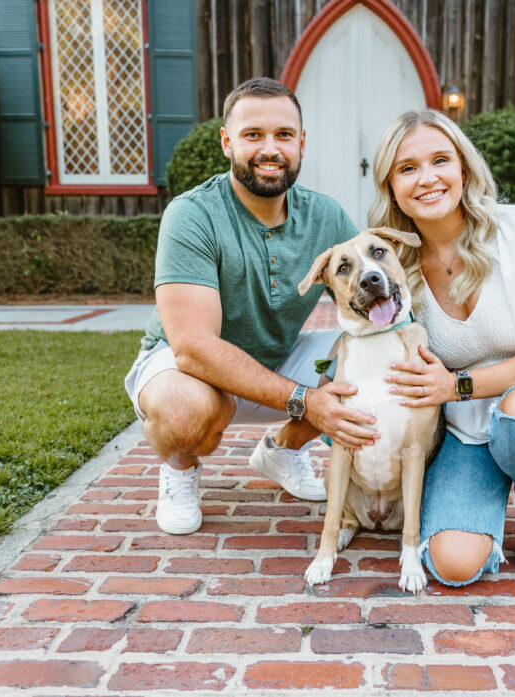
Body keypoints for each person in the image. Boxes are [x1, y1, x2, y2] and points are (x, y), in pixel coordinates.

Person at [124, 78, 379, 536]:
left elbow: (368, 305)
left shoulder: (327, 217)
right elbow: (193, 349)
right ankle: (180, 471)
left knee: (370, 356)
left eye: (283, 135)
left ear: (302, 144)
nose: (270, 149)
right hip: (188, 372)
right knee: (183, 411)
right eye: (252, 135)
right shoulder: (192, 214)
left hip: (279, 360)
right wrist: (305, 399)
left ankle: (283, 449)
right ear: (227, 142)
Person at [368, 109, 515, 584]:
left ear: (463, 168)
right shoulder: (395, 265)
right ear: (391, 186)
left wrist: (458, 384)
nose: (428, 178)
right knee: (453, 565)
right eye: (408, 168)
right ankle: (491, 482)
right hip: (468, 428)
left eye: (441, 160)